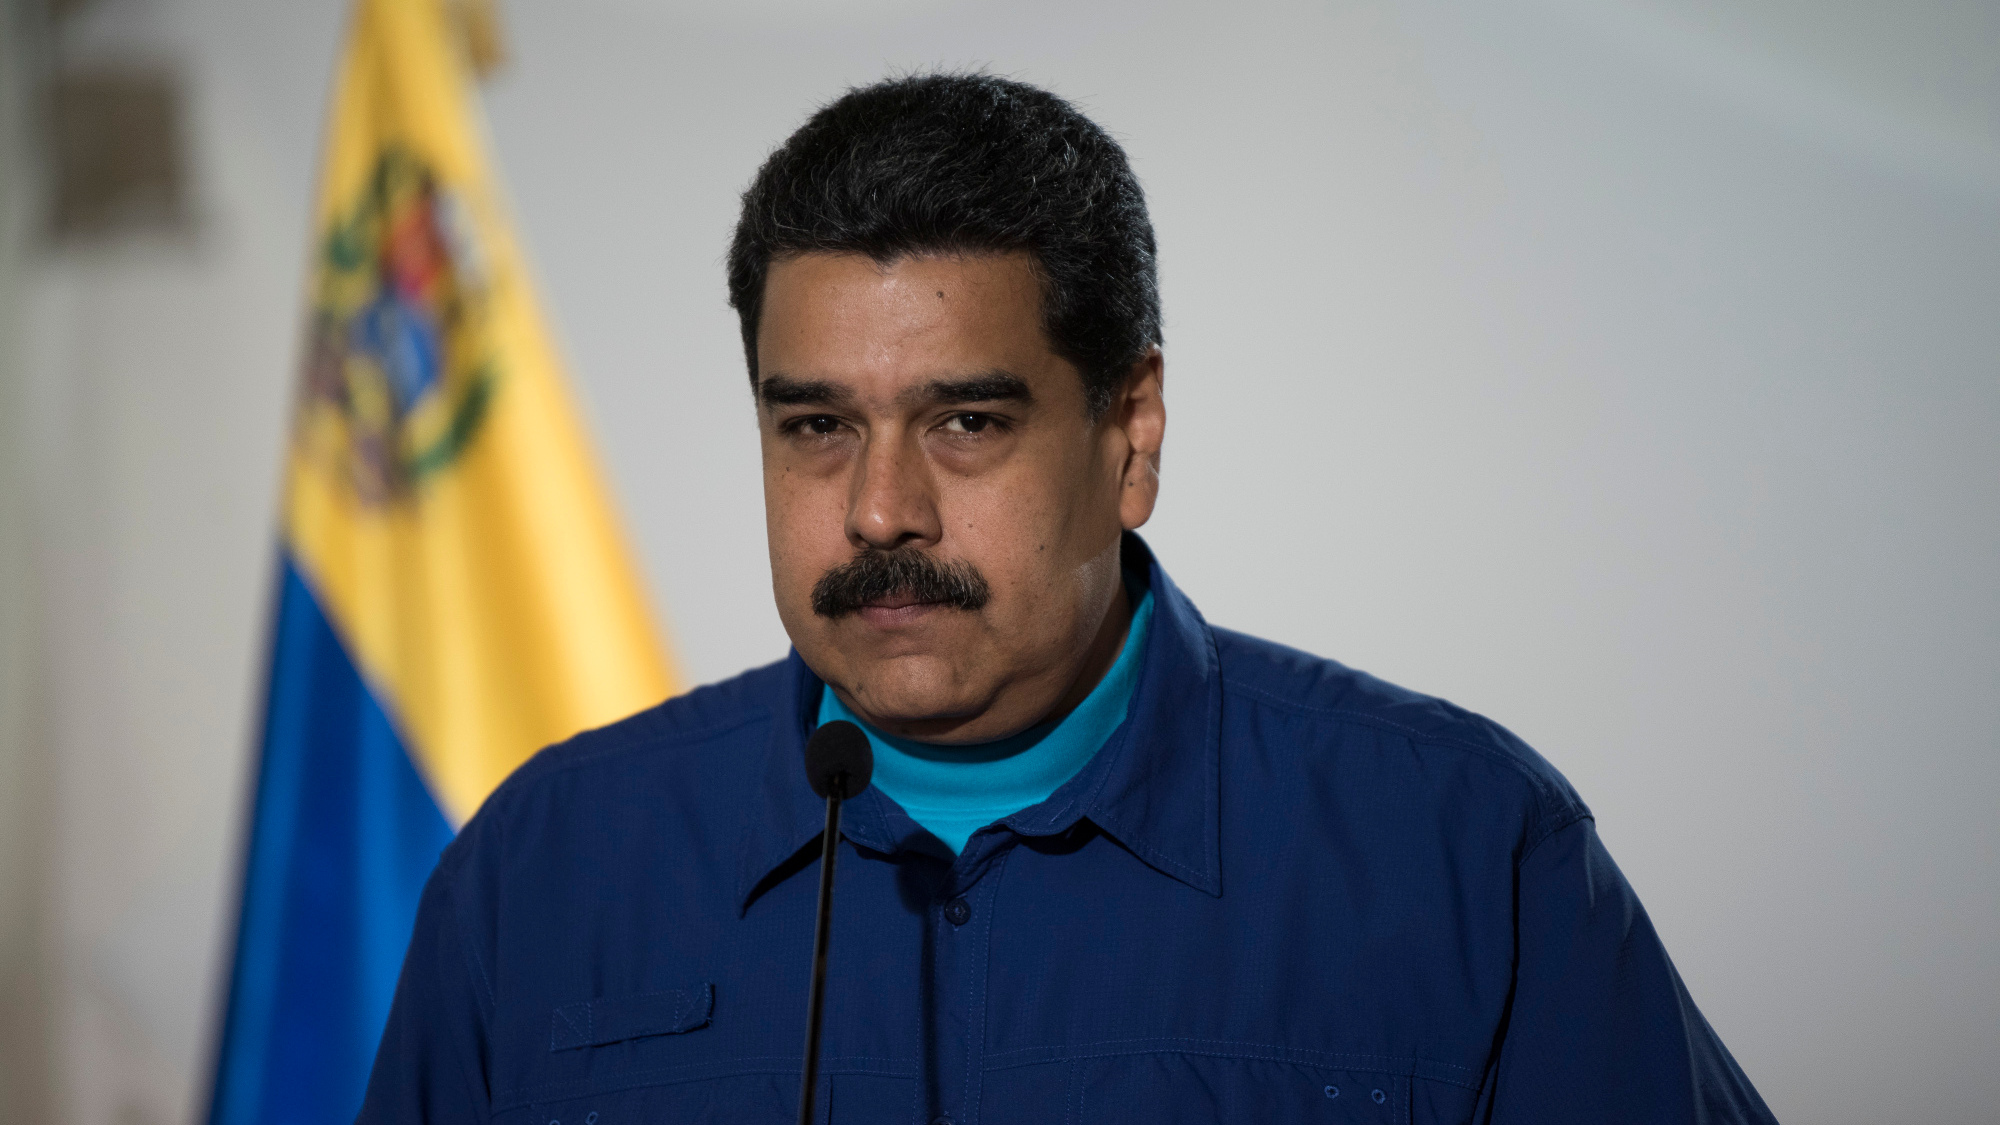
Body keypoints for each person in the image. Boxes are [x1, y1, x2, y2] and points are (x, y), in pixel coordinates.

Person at [358, 73, 1777, 1124]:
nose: (880, 510)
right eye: (817, 427)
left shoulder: (1464, 850)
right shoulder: (540, 873)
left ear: (1130, 434)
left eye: (967, 421)